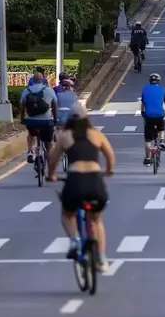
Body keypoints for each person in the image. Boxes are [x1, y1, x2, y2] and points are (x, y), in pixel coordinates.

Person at [47, 104, 114, 272]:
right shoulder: (96, 135)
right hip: (95, 181)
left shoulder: (64, 136)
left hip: (75, 181)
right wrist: (109, 170)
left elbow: (53, 160)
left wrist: (51, 175)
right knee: (97, 220)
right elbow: (110, 155)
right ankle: (102, 258)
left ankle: (75, 239)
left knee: (67, 214)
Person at [20, 67, 59, 168]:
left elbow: (22, 106)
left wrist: (22, 119)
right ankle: (51, 170)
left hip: (32, 122)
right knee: (49, 145)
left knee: (31, 134)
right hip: (46, 122)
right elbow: (54, 106)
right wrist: (55, 119)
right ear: (43, 79)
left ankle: (30, 151)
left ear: (32, 80)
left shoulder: (27, 90)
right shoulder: (49, 90)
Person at [140, 74, 165, 166]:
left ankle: (148, 159)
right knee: (162, 128)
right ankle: (161, 141)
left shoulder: (145, 89)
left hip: (148, 116)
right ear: (159, 81)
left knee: (148, 140)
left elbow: (143, 103)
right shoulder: (163, 89)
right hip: (160, 115)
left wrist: (143, 112)